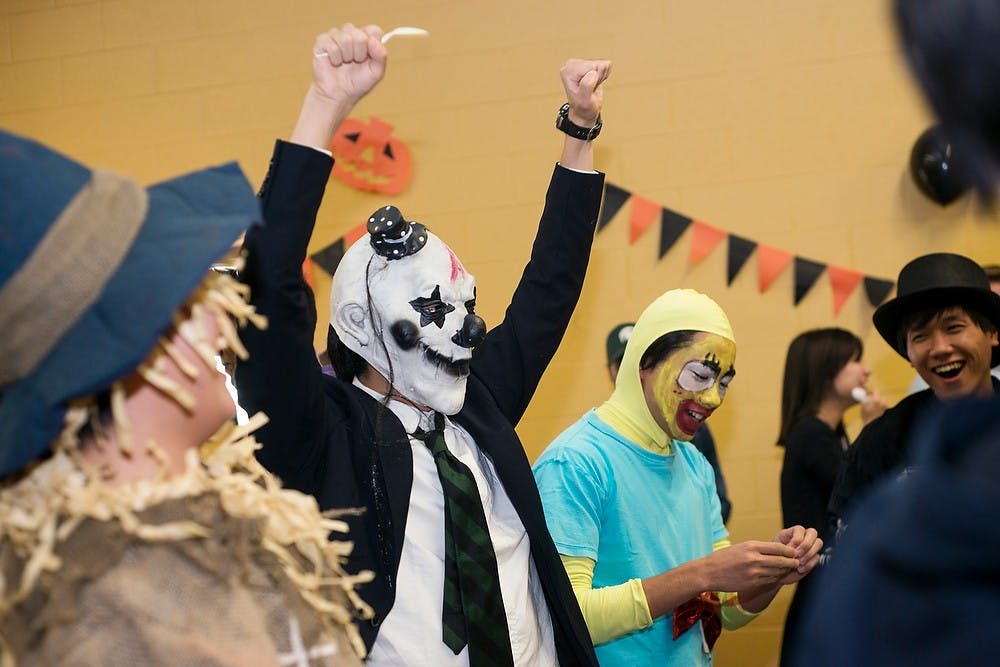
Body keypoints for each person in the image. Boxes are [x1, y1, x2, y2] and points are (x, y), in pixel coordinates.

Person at [234, 23, 610, 667]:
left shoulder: (478, 403)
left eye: (466, 307)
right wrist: (325, 106)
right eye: (434, 311)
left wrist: (578, 133)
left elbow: (550, 287)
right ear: (358, 323)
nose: (465, 330)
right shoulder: (322, 439)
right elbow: (266, 291)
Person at [0, 103, 367, 665]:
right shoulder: (96, 604)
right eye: (190, 302)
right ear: (120, 353)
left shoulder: (239, 527)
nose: (222, 325)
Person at [532, 289, 822, 665]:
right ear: (644, 363)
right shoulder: (576, 463)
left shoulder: (694, 464)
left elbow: (725, 611)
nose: (714, 398)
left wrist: (768, 572)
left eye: (724, 382)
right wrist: (702, 573)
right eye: (700, 375)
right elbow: (566, 617)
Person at [827, 252, 999, 527]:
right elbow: (844, 544)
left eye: (954, 327)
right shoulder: (881, 442)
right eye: (921, 336)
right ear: (908, 354)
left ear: (992, 333)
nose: (941, 348)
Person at [775, 328, 886, 666]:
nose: (865, 370)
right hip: (823, 595)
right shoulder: (811, 434)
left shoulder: (831, 434)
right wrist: (874, 431)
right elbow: (868, 496)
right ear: (827, 370)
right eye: (855, 360)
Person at [606, 321, 733, 524]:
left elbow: (719, 504)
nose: (633, 371)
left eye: (639, 361)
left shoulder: (692, 430)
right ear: (611, 370)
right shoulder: (601, 442)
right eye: (621, 364)